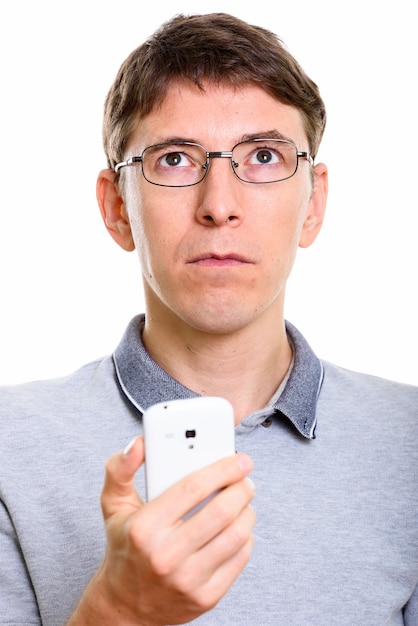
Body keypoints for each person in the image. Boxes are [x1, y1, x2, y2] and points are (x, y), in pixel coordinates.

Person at [0, 11, 417, 626]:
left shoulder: (408, 442)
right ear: (117, 208)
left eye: (265, 155)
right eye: (174, 160)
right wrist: (117, 612)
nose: (219, 206)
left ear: (314, 203)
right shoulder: (9, 446)